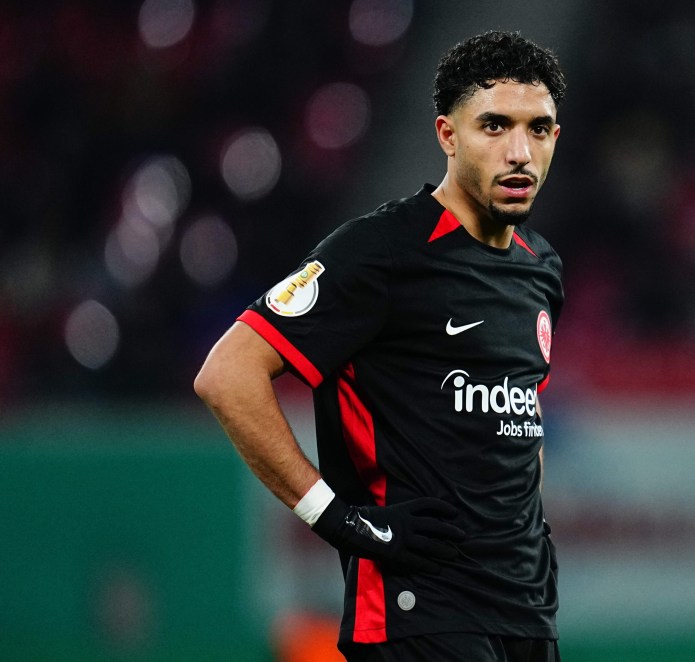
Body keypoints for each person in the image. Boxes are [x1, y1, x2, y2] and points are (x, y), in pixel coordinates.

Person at [194, 30, 566, 662]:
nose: (519, 152)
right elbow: (227, 374)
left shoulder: (541, 268)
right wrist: (338, 518)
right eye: (495, 126)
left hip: (526, 612)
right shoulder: (380, 251)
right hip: (416, 613)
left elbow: (516, 427)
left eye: (539, 129)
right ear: (448, 135)